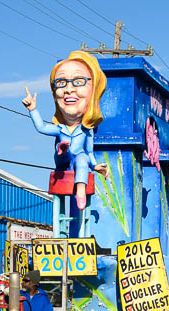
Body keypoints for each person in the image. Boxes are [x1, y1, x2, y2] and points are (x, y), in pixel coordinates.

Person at [22, 50, 109, 210]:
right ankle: (63, 150)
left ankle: (80, 191)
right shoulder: (60, 128)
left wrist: (95, 166)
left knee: (82, 158)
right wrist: (33, 109)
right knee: (63, 152)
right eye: (61, 83)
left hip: (78, 160)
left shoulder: (86, 130)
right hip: (62, 163)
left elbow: (89, 152)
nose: (69, 89)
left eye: (78, 81)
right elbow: (41, 127)